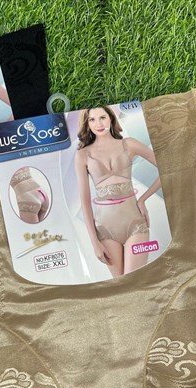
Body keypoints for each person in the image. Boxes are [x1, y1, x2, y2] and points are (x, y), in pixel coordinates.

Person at [75, 106, 161, 277]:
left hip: (136, 224)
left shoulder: (128, 144)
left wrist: (142, 199)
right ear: (87, 123)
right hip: (105, 230)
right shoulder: (83, 155)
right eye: (92, 119)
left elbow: (165, 169)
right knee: (122, 286)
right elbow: (85, 201)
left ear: (111, 118)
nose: (98, 124)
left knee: (134, 281)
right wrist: (94, 242)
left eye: (102, 117)